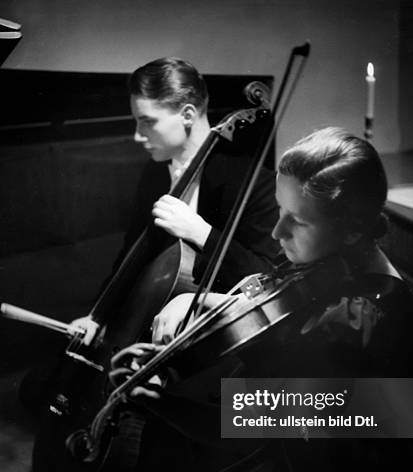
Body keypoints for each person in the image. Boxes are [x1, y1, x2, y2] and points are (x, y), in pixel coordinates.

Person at [75, 128, 413, 472]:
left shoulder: (364, 315)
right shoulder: (329, 269)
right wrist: (205, 303)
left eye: (297, 222)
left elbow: (266, 422)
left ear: (353, 229)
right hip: (289, 467)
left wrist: (172, 403)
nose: (276, 233)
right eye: (280, 212)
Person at [74, 57, 279, 344]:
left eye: (147, 122)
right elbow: (132, 254)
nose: (137, 135)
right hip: (147, 332)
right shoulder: (155, 174)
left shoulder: (255, 181)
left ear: (187, 114)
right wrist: (98, 316)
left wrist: (201, 233)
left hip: (213, 341)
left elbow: (266, 277)